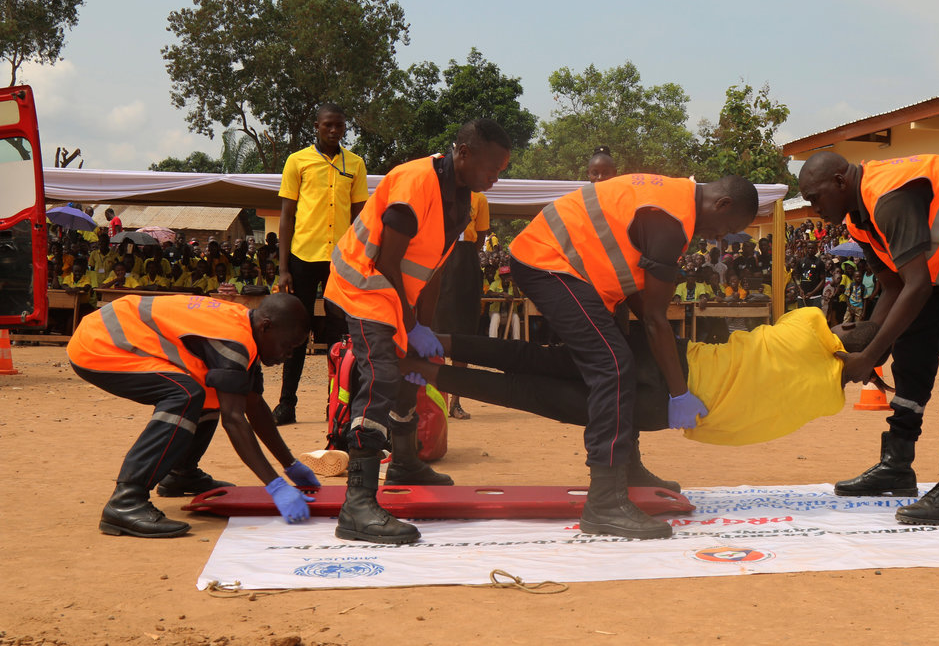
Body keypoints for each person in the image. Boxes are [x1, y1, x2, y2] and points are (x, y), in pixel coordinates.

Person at [508, 172, 758, 539]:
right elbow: (656, 318)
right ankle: (604, 502)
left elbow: (646, 307)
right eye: (725, 229)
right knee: (612, 366)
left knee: (624, 355)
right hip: (547, 262)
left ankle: (627, 467)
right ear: (722, 204)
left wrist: (662, 351)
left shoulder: (674, 199)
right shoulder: (670, 223)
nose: (718, 238)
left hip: (570, 269)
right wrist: (678, 391)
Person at [797, 152, 939, 526]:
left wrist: (870, 354)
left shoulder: (887, 197)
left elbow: (918, 285)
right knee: (910, 349)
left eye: (815, 197)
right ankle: (897, 465)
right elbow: (893, 286)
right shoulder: (859, 223)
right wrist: (871, 352)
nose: (813, 208)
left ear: (841, 182)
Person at [323, 118, 512, 546]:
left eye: (502, 170)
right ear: (464, 153)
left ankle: (406, 461)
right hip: (364, 285)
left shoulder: (462, 199)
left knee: (416, 365)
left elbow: (432, 270)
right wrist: (410, 323)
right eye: (491, 168)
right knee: (382, 374)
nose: (495, 178)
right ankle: (356, 505)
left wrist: (422, 328)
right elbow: (388, 263)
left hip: (396, 296)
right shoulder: (416, 183)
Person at [399, 309, 877, 462]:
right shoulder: (828, 401)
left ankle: (435, 341)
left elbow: (818, 326)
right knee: (539, 396)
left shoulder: (807, 324)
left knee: (542, 360)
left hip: (671, 362)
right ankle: (433, 372)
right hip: (672, 410)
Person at [66, 293, 316, 538]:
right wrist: (275, 486)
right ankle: (126, 500)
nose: (288, 356)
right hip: (102, 342)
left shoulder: (246, 334)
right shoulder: (234, 342)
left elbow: (254, 404)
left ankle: (181, 474)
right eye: (288, 346)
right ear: (266, 326)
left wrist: (290, 465)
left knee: (210, 392)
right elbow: (234, 419)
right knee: (185, 394)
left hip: (113, 334)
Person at [274, 103, 367, 425]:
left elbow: (359, 221)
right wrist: (283, 268)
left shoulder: (355, 165)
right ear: (316, 126)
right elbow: (287, 216)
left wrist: (359, 262)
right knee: (297, 333)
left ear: (344, 129)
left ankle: (337, 406)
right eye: (327, 125)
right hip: (302, 257)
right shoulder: (297, 161)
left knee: (339, 335)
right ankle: (287, 404)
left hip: (339, 262)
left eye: (339, 126)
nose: (333, 130)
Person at [432, 188, 490, 420]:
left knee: (463, 332)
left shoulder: (480, 198)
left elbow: (481, 236)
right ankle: (434, 400)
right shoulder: (439, 193)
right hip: (440, 258)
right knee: (435, 327)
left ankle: (456, 402)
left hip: (466, 263)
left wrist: (463, 254)